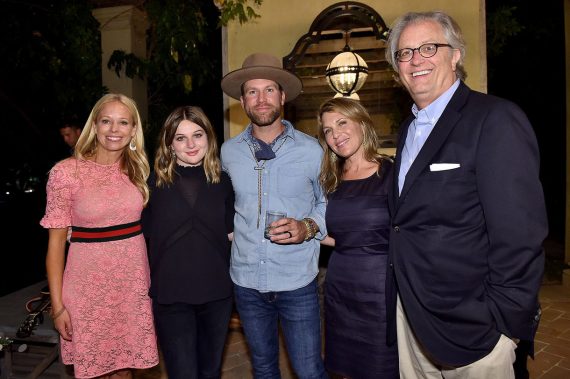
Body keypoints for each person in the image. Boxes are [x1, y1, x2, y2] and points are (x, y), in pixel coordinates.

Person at [384, 11, 548, 378]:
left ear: (455, 54)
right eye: (405, 53)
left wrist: (502, 323)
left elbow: (520, 234)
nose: (415, 60)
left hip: (474, 327)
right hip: (412, 316)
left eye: (428, 48)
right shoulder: (410, 127)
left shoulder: (494, 119)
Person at [220, 52, 328, 378]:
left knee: (308, 371)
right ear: (242, 100)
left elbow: (328, 203)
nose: (261, 99)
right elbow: (222, 204)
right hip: (247, 282)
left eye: (269, 90)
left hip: (297, 282)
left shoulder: (313, 150)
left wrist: (307, 226)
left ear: (282, 96)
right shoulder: (228, 152)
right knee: (264, 369)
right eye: (252, 91)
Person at [41, 93, 158, 378]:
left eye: (123, 122)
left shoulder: (139, 171)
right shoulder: (66, 173)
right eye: (106, 121)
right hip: (86, 288)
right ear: (95, 125)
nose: (114, 130)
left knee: (126, 369)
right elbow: (55, 248)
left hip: (132, 285)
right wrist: (58, 307)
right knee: (95, 371)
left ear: (133, 130)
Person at [142, 106, 235, 379]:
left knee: (210, 371)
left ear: (209, 138)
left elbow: (233, 233)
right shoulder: (150, 185)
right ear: (169, 144)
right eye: (181, 138)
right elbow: (132, 231)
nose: (191, 144)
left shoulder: (224, 181)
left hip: (217, 294)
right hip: (171, 296)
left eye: (198, 135)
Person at [318, 97, 398, 378]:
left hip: (381, 289)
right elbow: (336, 236)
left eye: (342, 123)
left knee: (381, 367)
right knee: (347, 369)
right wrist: (303, 230)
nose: (335, 134)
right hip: (340, 287)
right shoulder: (331, 180)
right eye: (327, 130)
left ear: (362, 123)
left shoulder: (391, 173)